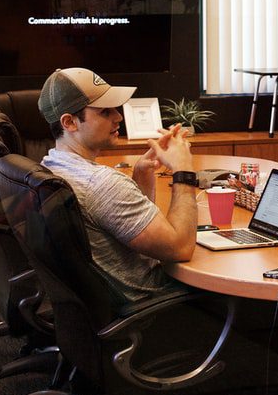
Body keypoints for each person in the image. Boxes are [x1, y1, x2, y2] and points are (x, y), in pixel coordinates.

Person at [38, 67, 199, 302]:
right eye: (105, 112)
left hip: (100, 305)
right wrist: (183, 171)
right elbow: (180, 249)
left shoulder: (50, 164)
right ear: (70, 122)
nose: (118, 117)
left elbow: (124, 227)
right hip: (155, 304)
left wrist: (141, 175)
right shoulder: (101, 184)